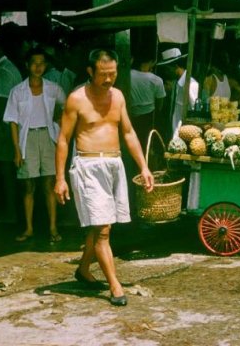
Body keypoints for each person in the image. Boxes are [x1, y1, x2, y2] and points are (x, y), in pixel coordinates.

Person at [55, 48, 154, 307]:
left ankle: (84, 269)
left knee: (102, 223)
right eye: (103, 74)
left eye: (113, 74)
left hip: (114, 164)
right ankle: (114, 285)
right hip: (88, 165)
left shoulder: (118, 97)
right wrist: (60, 178)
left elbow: (129, 133)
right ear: (90, 72)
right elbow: (63, 139)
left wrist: (144, 167)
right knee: (103, 230)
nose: (109, 79)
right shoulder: (76, 99)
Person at [4, 46, 66, 243]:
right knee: (28, 186)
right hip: (27, 139)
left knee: (49, 184)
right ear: (27, 65)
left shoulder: (53, 88)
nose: (38, 67)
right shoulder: (17, 91)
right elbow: (12, 122)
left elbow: (66, 107)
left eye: (41, 63)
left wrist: (59, 126)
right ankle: (29, 228)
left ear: (45, 65)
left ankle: (53, 228)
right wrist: (16, 150)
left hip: (48, 137)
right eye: (34, 63)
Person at [0, 35, 22, 222]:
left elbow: (0, 104)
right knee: (7, 169)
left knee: (6, 170)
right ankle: (11, 210)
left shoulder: (3, 70)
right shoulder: (6, 68)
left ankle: (10, 212)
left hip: (3, 127)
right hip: (8, 126)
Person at [157, 47, 199, 138]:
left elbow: (195, 111)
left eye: (167, 69)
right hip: (174, 132)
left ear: (175, 67)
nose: (166, 72)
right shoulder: (176, 83)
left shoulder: (191, 84)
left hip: (184, 134)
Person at [130, 53, 166, 148]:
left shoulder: (127, 75)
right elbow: (160, 103)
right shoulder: (156, 80)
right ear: (150, 62)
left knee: (132, 142)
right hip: (149, 116)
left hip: (130, 114)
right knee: (147, 143)